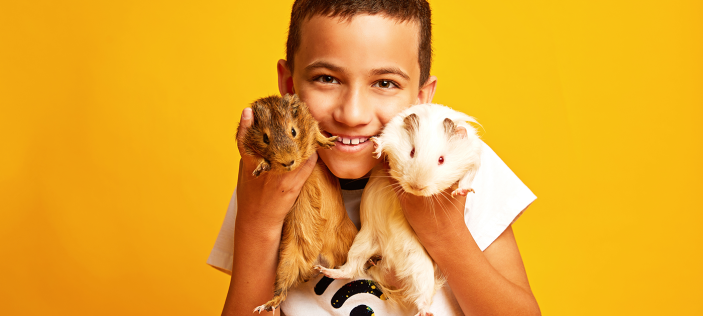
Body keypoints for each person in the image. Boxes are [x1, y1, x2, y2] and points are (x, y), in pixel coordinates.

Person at [208, 0, 541, 315]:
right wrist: (259, 224)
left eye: (384, 82)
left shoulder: (458, 164)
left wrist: (445, 235)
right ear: (289, 85)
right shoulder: (272, 180)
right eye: (327, 79)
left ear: (422, 97)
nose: (353, 114)